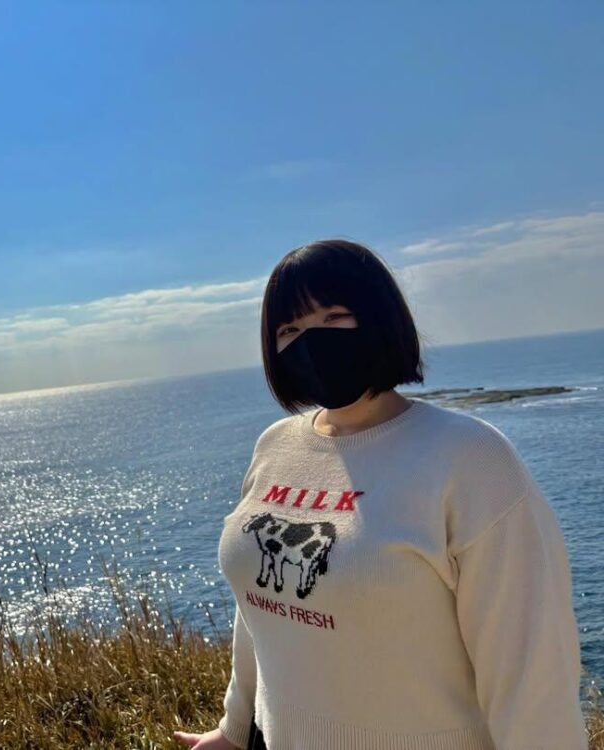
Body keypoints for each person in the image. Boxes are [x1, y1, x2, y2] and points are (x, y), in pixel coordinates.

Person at [173, 239, 588, 749]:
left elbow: (532, 670)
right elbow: (258, 606)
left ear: (378, 317)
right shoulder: (276, 446)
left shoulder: (470, 458)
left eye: (333, 317)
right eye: (289, 330)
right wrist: (235, 728)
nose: (310, 342)